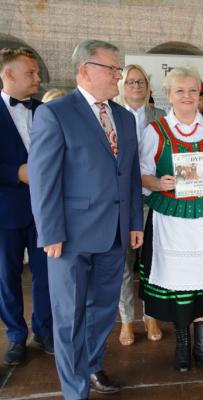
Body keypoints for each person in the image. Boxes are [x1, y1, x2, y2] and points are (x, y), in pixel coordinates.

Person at [28, 39, 144, 399]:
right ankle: (74, 390)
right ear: (85, 71)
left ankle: (92, 366)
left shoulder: (123, 117)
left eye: (119, 69)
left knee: (102, 311)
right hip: (70, 237)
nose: (119, 76)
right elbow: (44, 180)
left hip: (114, 233)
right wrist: (50, 233)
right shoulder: (56, 113)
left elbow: (131, 176)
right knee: (69, 318)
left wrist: (135, 221)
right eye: (112, 69)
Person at [138, 66, 203, 374]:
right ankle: (182, 346)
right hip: (174, 223)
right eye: (179, 91)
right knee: (181, 287)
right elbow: (141, 175)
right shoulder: (155, 131)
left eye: (192, 91)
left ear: (200, 94)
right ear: (168, 95)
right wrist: (160, 183)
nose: (186, 96)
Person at [0, 47, 53, 366]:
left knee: (46, 274)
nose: (38, 77)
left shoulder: (47, 110)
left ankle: (44, 331)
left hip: (45, 210)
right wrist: (14, 172)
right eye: (30, 72)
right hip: (5, 210)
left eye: (36, 72)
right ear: (8, 74)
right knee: (6, 276)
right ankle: (16, 336)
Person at [114, 64, 166, 346]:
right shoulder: (110, 115)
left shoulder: (160, 117)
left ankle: (151, 315)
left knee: (152, 261)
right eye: (131, 81)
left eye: (141, 82)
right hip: (120, 202)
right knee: (123, 264)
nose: (136, 86)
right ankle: (126, 319)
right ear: (121, 85)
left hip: (153, 199)